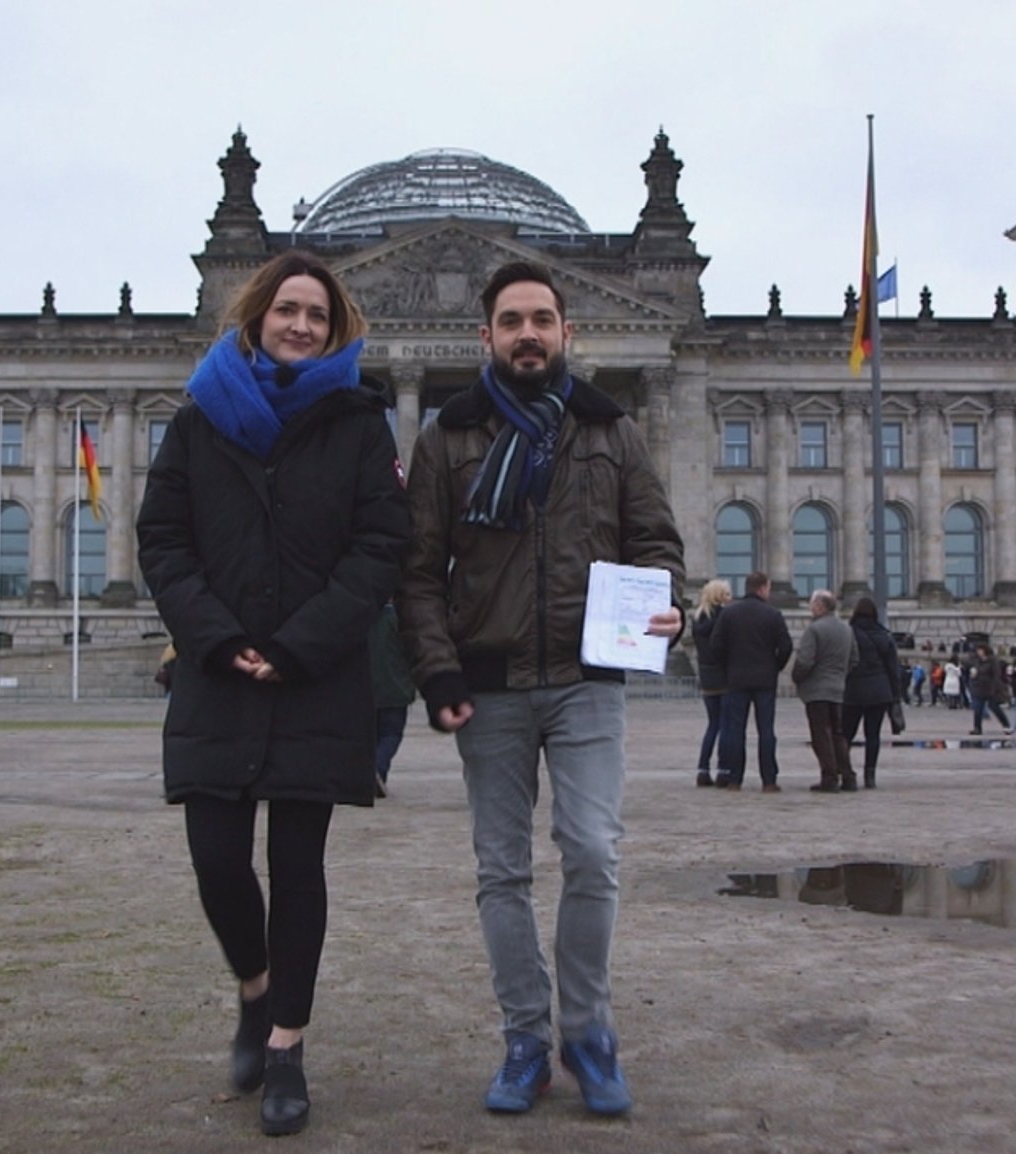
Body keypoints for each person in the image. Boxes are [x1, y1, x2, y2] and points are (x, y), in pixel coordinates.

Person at [397, 260, 683, 1118]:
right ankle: (526, 1039)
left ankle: (588, 1032)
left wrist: (668, 603)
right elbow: (416, 574)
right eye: (512, 321)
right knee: (502, 870)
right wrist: (438, 670)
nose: (529, 334)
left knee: (594, 854)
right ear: (483, 337)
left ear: (567, 334)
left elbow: (656, 542)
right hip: (489, 684)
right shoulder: (445, 436)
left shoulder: (613, 430)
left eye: (543, 320)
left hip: (588, 679)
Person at [136, 251, 409, 1137]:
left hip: (315, 676)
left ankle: (286, 1046)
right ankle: (255, 991)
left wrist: (300, 645)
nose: (300, 325)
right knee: (217, 858)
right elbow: (164, 540)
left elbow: (380, 547)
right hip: (218, 673)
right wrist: (215, 639)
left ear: (336, 332)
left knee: (298, 871)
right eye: (287, 309)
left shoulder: (363, 422)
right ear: (254, 316)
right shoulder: (197, 420)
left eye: (317, 316)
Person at [705, 571, 793, 792]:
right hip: (765, 680)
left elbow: (715, 646)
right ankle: (769, 780)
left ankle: (735, 779)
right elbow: (786, 646)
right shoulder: (773, 614)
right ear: (763, 588)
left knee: (736, 730)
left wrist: (728, 665)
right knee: (766, 731)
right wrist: (775, 666)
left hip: (736, 678)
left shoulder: (730, 614)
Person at [790, 590, 856, 792]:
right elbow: (854, 659)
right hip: (837, 688)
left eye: (812, 604)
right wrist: (839, 675)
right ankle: (848, 776)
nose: (810, 608)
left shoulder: (814, 629)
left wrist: (797, 677)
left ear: (820, 606)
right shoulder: (846, 629)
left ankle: (829, 777)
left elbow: (805, 661)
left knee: (821, 735)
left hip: (817, 690)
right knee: (838, 734)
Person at [840, 597, 904, 788]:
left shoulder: (848, 634)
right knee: (873, 735)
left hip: (853, 691)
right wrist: (896, 696)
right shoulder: (884, 636)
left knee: (846, 735)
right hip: (879, 691)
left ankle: (845, 773)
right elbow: (893, 670)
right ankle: (870, 776)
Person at [368, 603, 414, 798]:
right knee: (390, 734)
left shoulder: (360, 618)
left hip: (365, 688)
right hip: (395, 688)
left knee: (370, 735)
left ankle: (371, 772)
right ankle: (377, 768)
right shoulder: (397, 619)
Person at [689, 580, 733, 787]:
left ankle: (702, 769)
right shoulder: (723, 617)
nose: (730, 598)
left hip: (706, 675)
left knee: (712, 725)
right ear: (718, 596)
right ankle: (724, 770)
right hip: (724, 675)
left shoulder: (698, 617)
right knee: (725, 725)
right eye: (727, 594)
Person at [968, 646, 1012, 735]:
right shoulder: (978, 661)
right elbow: (974, 670)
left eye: (980, 650)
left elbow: (996, 675)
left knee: (995, 707)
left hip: (990, 688)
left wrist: (994, 688)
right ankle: (977, 728)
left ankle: (1006, 725)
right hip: (979, 687)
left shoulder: (993, 661)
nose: (979, 652)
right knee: (978, 709)